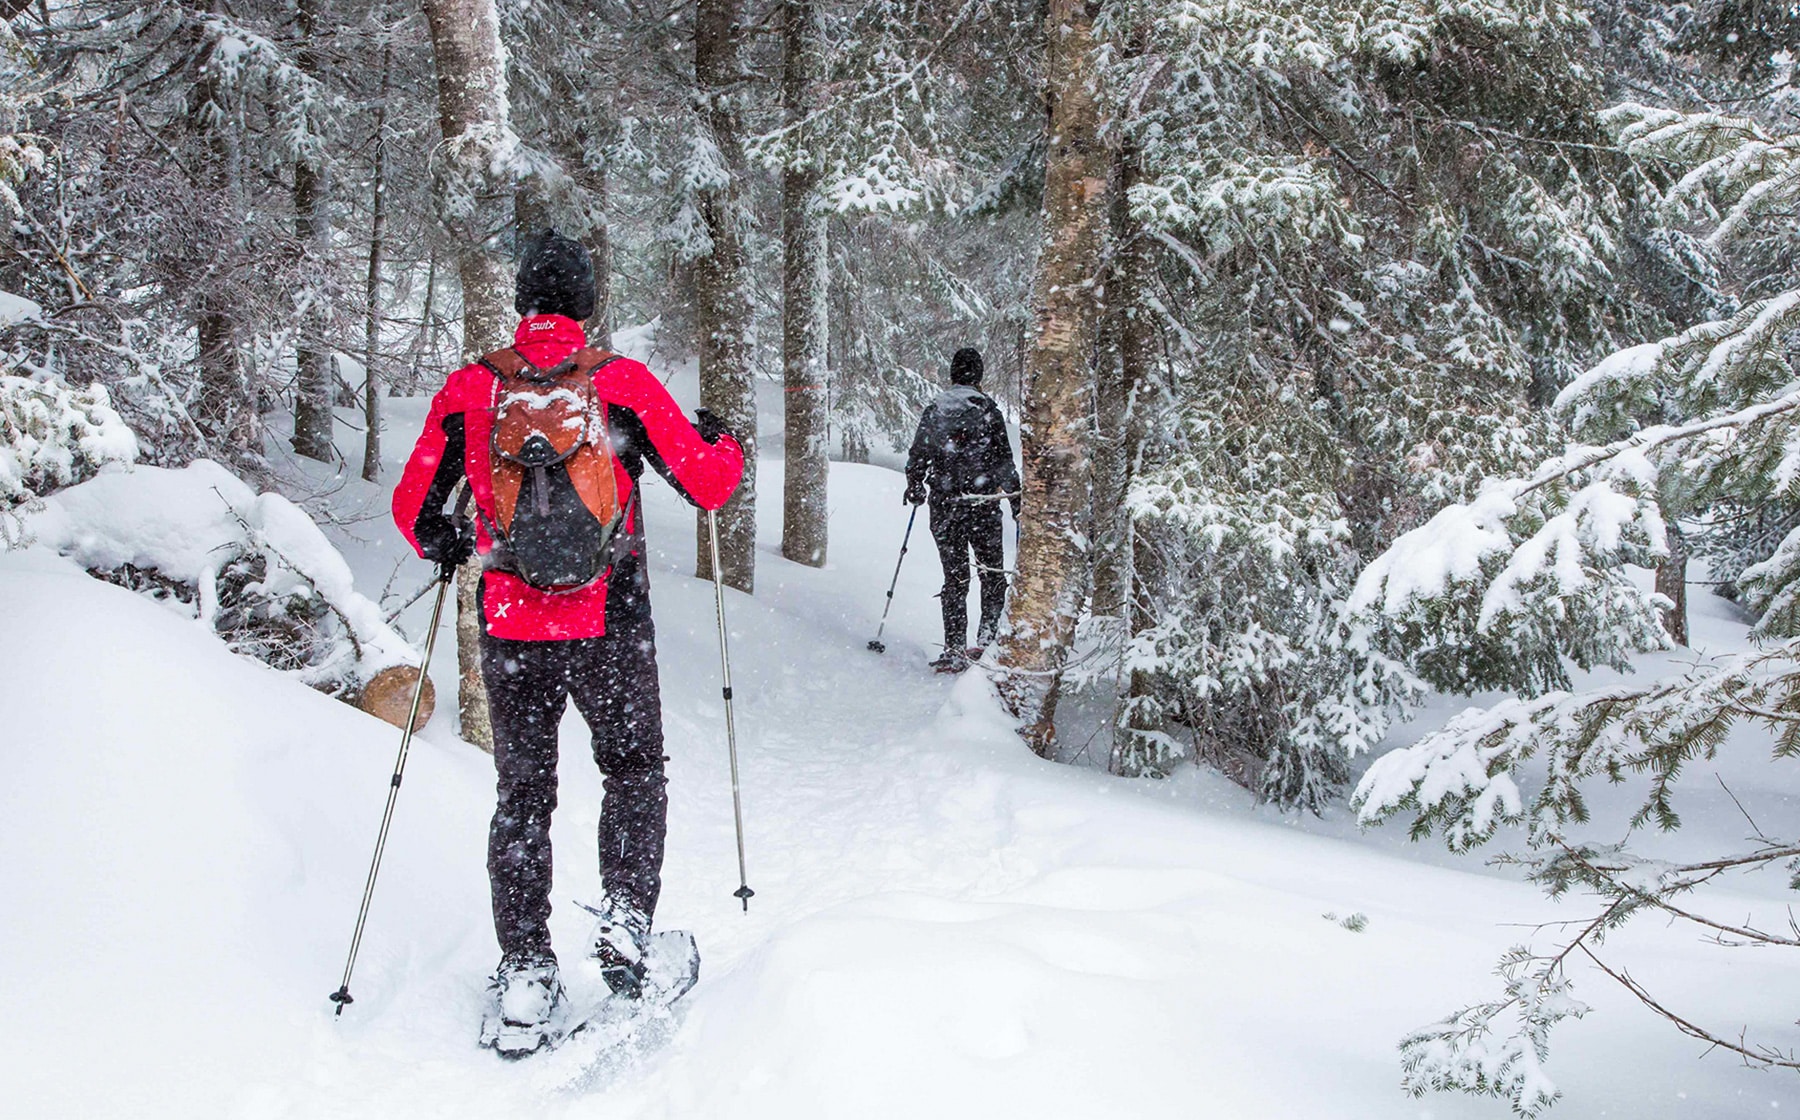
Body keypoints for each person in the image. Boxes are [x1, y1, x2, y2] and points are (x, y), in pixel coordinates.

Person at [391, 229, 744, 1049]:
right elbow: (710, 484)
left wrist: (450, 547)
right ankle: (625, 922)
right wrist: (720, 437)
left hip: (514, 627)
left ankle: (524, 974)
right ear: (587, 304)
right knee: (632, 770)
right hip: (610, 619)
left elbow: (415, 508)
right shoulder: (618, 383)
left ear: (523, 303)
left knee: (522, 797)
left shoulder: (472, 389)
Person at [903, 346, 1021, 673]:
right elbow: (1003, 463)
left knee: (955, 579)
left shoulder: (936, 409)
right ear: (979, 376)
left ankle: (954, 648)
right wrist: (1015, 499)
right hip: (982, 506)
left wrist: (915, 486)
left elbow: (918, 455)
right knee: (992, 576)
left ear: (953, 374)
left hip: (945, 507)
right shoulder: (988, 410)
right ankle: (986, 643)